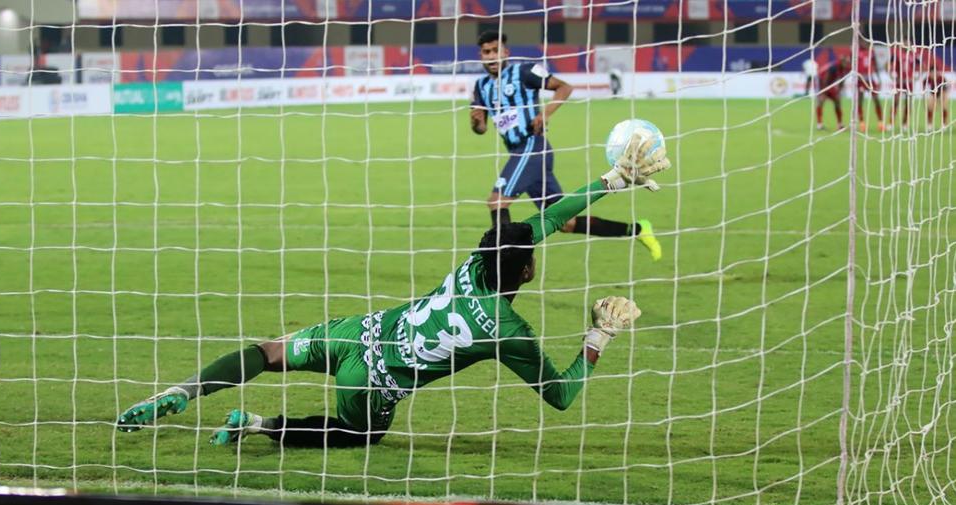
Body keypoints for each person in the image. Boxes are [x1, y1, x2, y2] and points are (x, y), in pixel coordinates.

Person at [116, 132, 671, 448]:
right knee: (359, 436)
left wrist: (609, 182)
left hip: (360, 330)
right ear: (527, 273)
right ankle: (257, 424)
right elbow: (560, 395)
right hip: (377, 378)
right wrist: (599, 334)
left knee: (267, 352)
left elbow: (546, 222)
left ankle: (182, 393)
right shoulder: (509, 331)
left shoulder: (475, 265)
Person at [470, 30, 663, 261]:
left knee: (497, 200)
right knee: (567, 223)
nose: (491, 56)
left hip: (533, 147)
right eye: (486, 52)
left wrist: (545, 113)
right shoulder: (481, 86)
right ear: (480, 55)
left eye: (495, 50)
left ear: (506, 52)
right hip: (520, 154)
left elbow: (564, 87)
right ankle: (639, 230)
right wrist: (476, 123)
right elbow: (481, 129)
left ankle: (500, 265)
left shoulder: (523, 72)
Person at [816, 54, 851, 131]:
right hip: (824, 84)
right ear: (842, 62)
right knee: (821, 102)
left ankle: (840, 124)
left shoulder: (844, 69)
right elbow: (825, 80)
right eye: (846, 62)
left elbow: (842, 81)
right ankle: (819, 124)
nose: (847, 64)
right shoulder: (833, 68)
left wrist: (838, 91)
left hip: (831, 85)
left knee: (838, 102)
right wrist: (824, 91)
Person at [855, 45, 886, 132]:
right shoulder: (856, 51)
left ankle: (881, 123)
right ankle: (862, 123)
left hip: (870, 79)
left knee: (876, 99)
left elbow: (875, 65)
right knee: (860, 101)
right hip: (861, 79)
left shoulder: (871, 52)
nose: (863, 43)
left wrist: (879, 78)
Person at [890, 42, 918, 131]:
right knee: (896, 101)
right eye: (905, 43)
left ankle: (905, 124)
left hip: (909, 83)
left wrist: (917, 77)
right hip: (900, 82)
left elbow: (921, 65)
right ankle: (891, 123)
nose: (906, 45)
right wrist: (891, 76)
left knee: (908, 103)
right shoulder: (897, 54)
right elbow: (888, 64)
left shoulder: (913, 55)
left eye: (908, 43)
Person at [924, 59, 949, 128]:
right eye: (932, 72)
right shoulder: (928, 78)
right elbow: (924, 86)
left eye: (935, 72)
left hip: (942, 93)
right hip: (933, 93)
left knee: (944, 106)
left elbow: (945, 89)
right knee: (930, 107)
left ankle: (944, 123)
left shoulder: (941, 78)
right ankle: (930, 124)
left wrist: (942, 99)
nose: (933, 74)